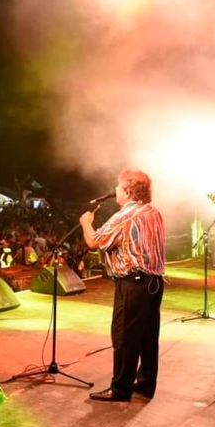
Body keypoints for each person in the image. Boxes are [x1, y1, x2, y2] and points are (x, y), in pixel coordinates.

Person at [79, 169, 166, 402]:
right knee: (148, 335)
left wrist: (86, 224)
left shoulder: (124, 216)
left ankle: (120, 388)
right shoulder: (154, 212)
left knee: (124, 336)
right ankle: (146, 384)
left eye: (118, 187)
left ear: (127, 191)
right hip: (154, 282)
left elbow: (94, 242)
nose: (115, 190)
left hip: (133, 283)